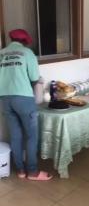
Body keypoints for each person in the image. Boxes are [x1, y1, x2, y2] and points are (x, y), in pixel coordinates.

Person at [0, 29, 53, 180]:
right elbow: (34, 77)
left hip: (4, 99)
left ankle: (21, 171)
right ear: (25, 41)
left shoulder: (1, 53)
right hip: (23, 98)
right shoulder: (27, 53)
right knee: (31, 136)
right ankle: (33, 172)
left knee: (15, 136)